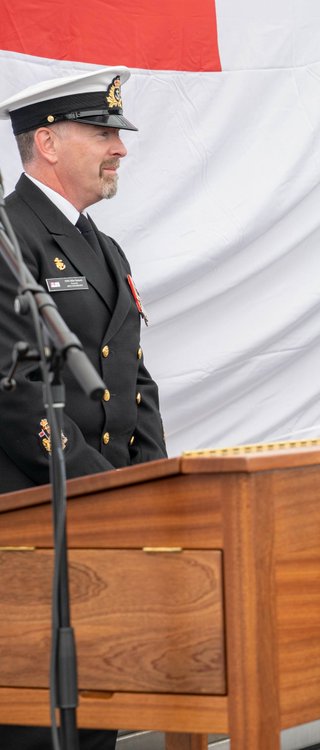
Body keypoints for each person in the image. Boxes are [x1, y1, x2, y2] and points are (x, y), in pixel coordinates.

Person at [0, 66, 167, 750]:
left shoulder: (105, 247)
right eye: (103, 132)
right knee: (41, 729)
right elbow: (17, 397)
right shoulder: (8, 239)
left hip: (106, 523)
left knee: (99, 716)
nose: (119, 147)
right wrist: (110, 488)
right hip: (37, 521)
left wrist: (155, 487)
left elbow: (136, 379)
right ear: (47, 142)